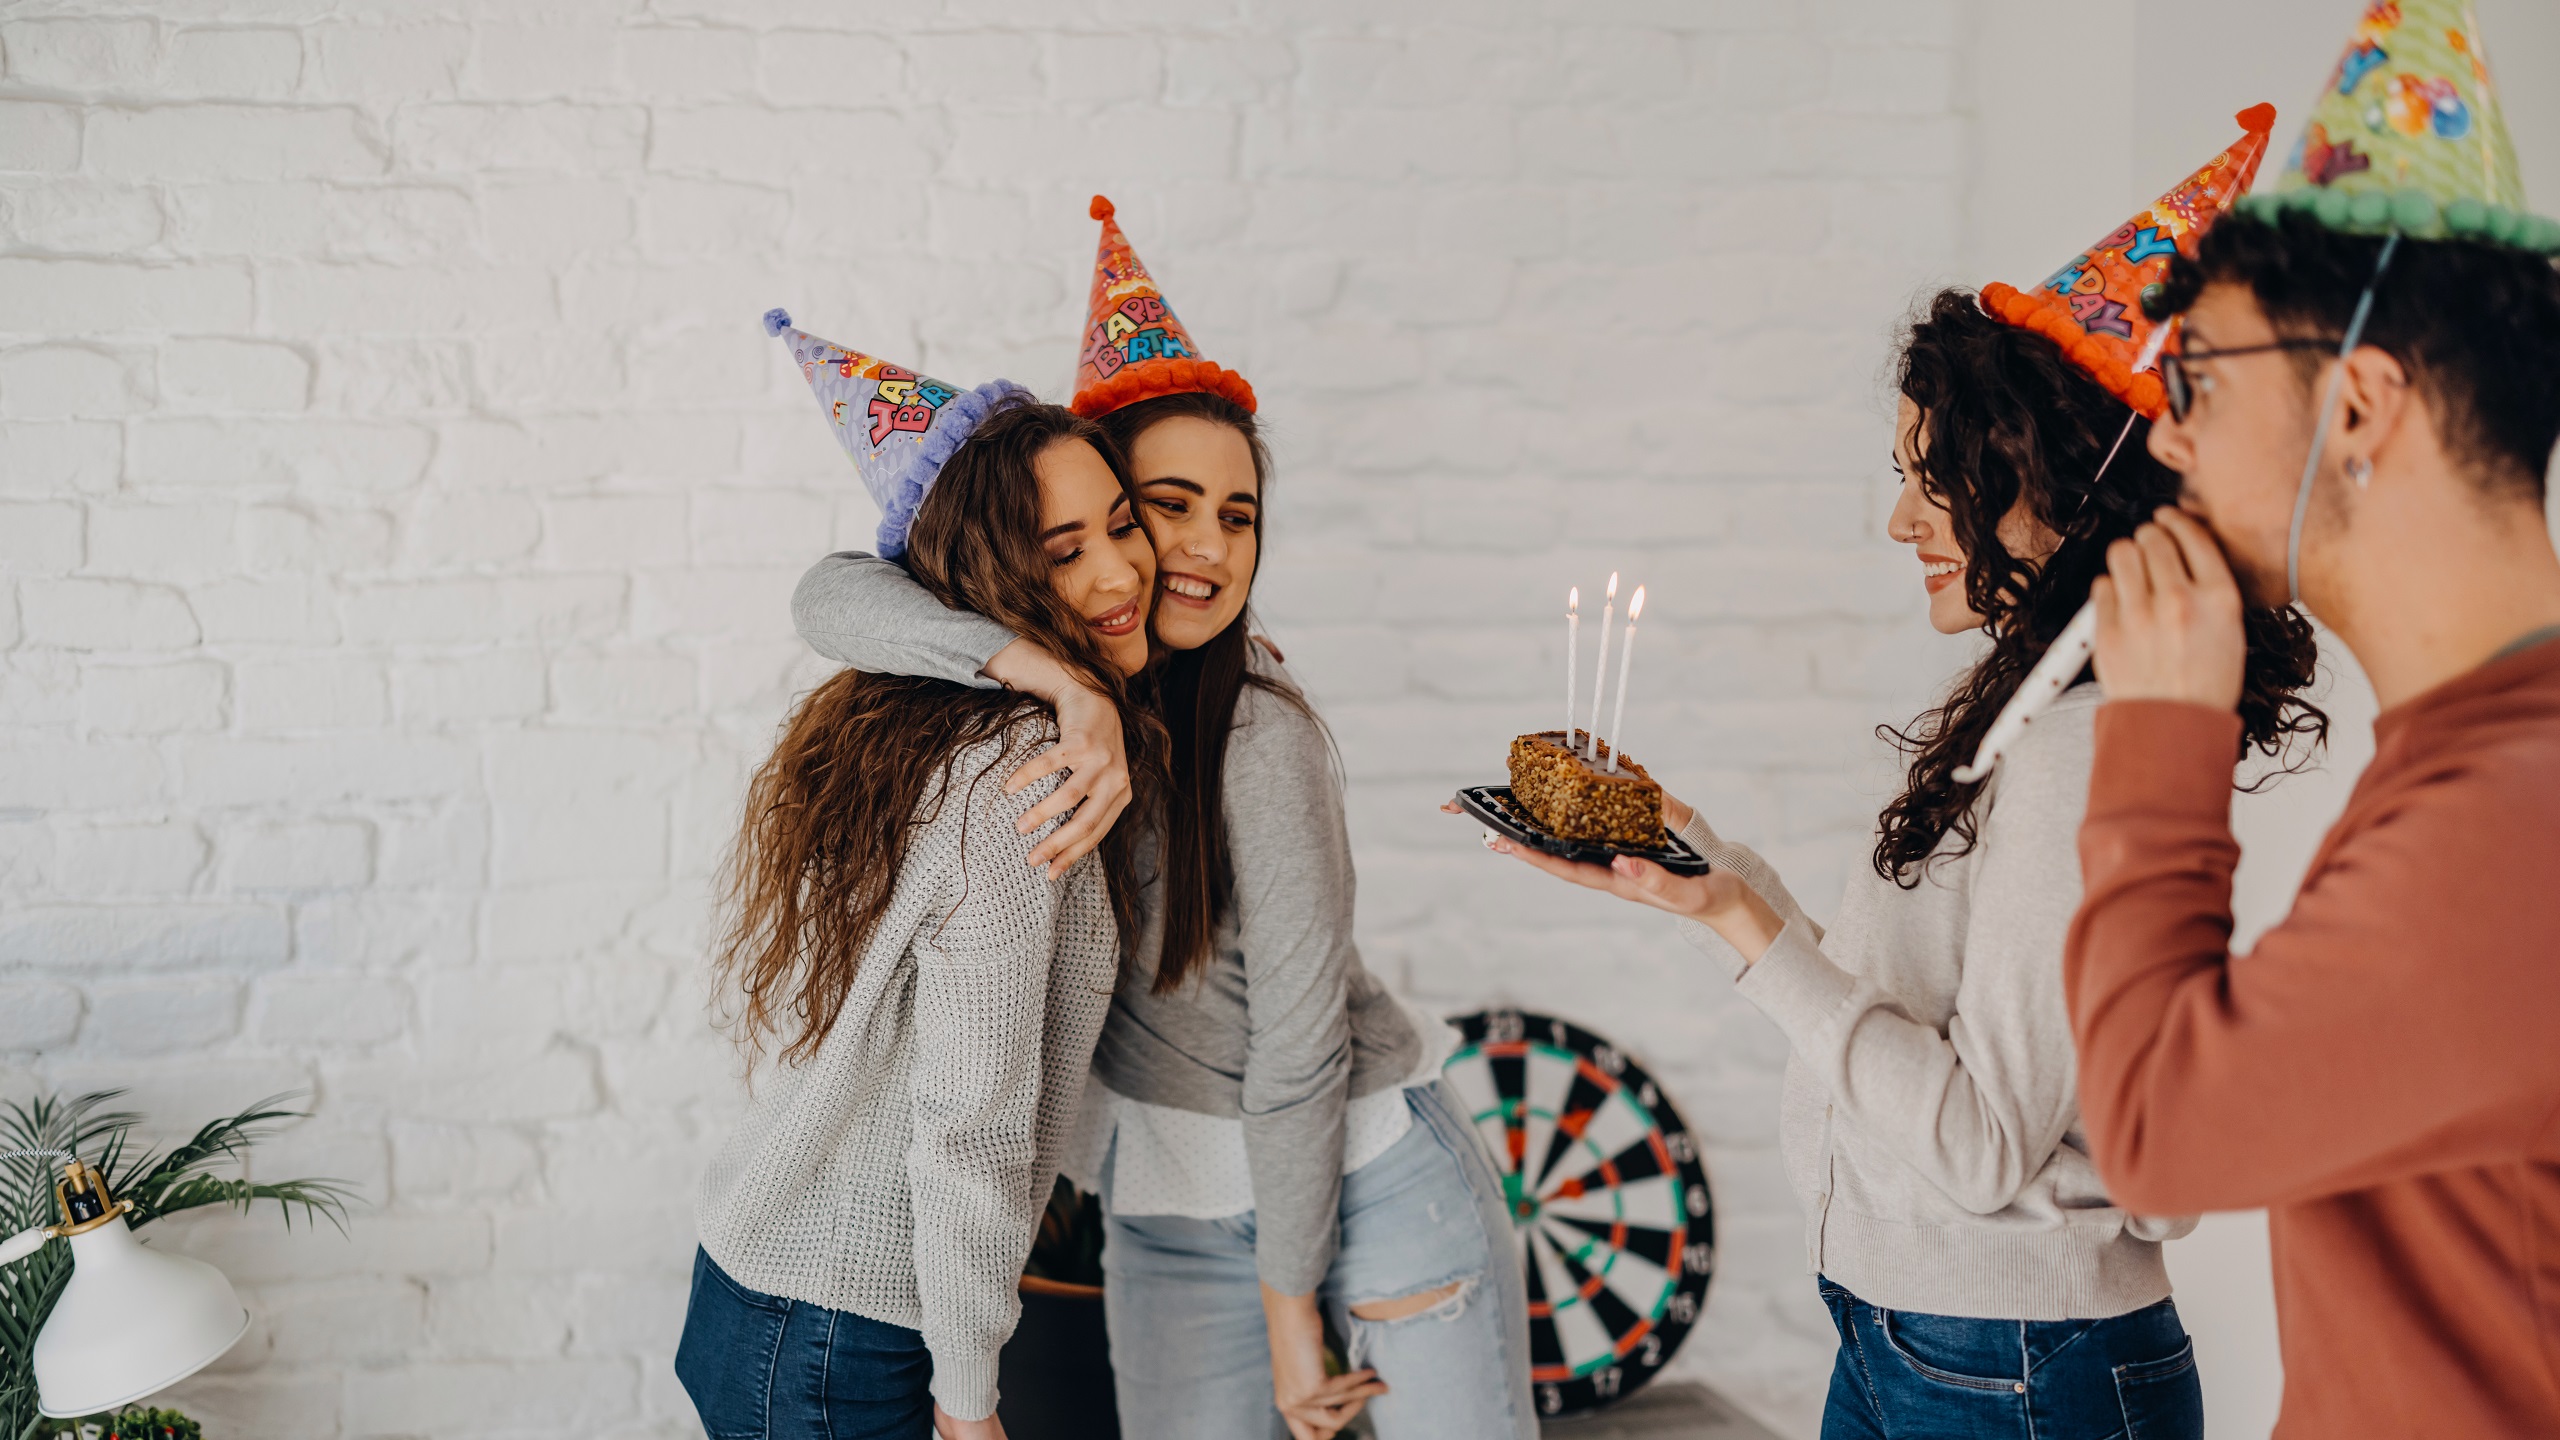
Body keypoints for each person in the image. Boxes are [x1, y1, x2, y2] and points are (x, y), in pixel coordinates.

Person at [1482, 113, 2329, 1440]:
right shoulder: (2022, 700)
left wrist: (1744, 926)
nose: (1899, 520)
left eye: (1935, 480)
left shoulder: (2078, 743)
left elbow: (1982, 1145)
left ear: (2051, 476)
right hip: (1913, 1338)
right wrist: (1695, 854)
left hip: (2016, 1362)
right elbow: (1909, 1014)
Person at [788, 199, 1537, 1440]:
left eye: (1237, 516)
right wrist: (1048, 677)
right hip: (1172, 1209)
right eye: (1161, 508)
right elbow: (833, 597)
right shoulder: (1070, 697)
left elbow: (1301, 1052)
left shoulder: (1262, 732)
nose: (1197, 549)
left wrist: (1292, 1309)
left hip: (1370, 1177)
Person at [2064, 10, 2560, 1432]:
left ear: (2358, 403)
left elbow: (2159, 1138)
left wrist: (2159, 735)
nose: (2164, 435)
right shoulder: (2476, 760)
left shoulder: (2510, 822)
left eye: (2197, 381)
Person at [678, 320, 1167, 1440]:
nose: (1115, 571)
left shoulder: (964, 714)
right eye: (1060, 551)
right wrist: (969, 1399)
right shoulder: (1018, 771)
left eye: (1120, 525)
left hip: (782, 1289)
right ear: (993, 576)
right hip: (843, 1328)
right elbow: (971, 1127)